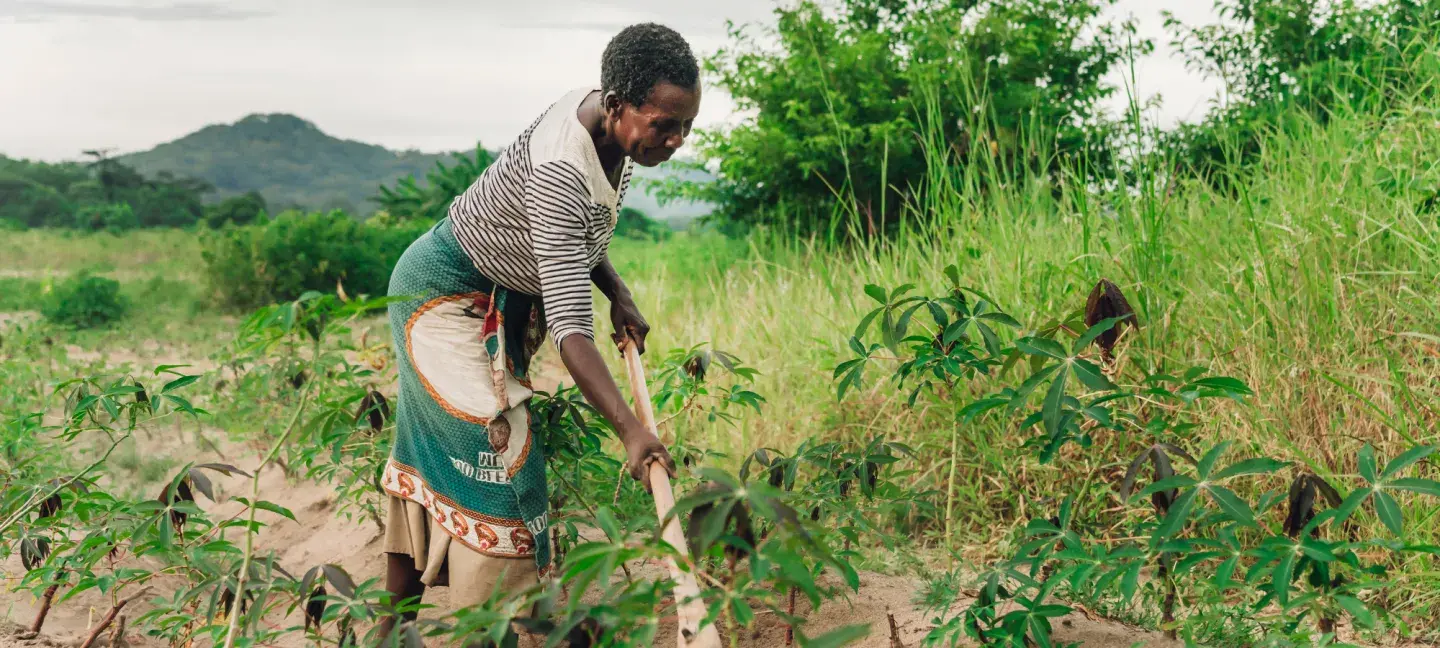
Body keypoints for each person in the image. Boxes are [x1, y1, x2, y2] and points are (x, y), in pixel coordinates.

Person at [374, 22, 699, 634]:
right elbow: (574, 331)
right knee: (504, 448)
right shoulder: (560, 169)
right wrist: (632, 432)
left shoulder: (609, 128)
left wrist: (619, 293)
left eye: (686, 126)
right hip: (441, 300)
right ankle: (513, 622)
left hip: (500, 301)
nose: (676, 139)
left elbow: (581, 233)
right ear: (616, 104)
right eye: (663, 125)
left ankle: (392, 630)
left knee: (424, 453)